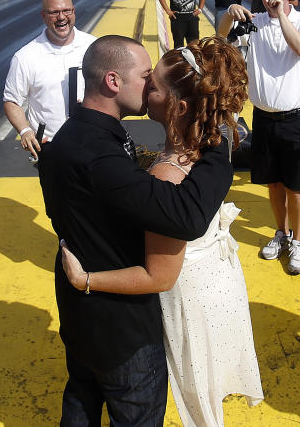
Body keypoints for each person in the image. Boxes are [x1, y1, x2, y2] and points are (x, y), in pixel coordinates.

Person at [60, 38, 262, 427]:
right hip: (216, 290)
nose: (147, 84)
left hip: (179, 305)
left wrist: (86, 279)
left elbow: (161, 273)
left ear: (178, 107)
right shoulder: (209, 143)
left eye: (153, 84)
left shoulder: (168, 175)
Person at [219, 0, 300, 274]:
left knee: (295, 187)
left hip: (296, 118)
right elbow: (221, 38)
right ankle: (281, 232)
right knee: (273, 183)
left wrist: (280, 16)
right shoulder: (256, 22)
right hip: (263, 117)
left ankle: (297, 242)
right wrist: (228, 13)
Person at [3, 0, 96, 160]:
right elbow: (12, 101)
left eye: (66, 11)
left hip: (93, 143)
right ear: (43, 16)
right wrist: (25, 131)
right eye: (54, 12)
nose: (61, 17)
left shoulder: (94, 46)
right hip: (51, 149)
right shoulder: (25, 57)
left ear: (73, 11)